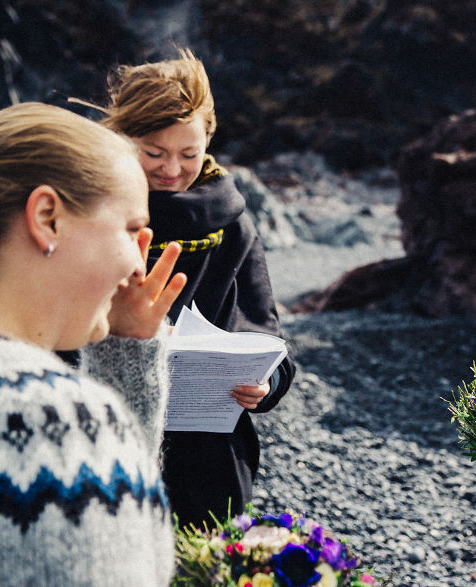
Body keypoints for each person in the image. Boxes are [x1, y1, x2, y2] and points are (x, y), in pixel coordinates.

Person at [0, 102, 187, 585]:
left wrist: (123, 347)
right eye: (131, 230)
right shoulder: (56, 427)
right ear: (47, 217)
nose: (136, 266)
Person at [90, 48, 295, 527]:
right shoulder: (92, 213)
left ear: (209, 141)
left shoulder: (233, 222)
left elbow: (268, 336)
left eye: (188, 154)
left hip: (208, 453)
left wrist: (266, 386)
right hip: (101, 435)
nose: (171, 169)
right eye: (154, 153)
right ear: (120, 139)